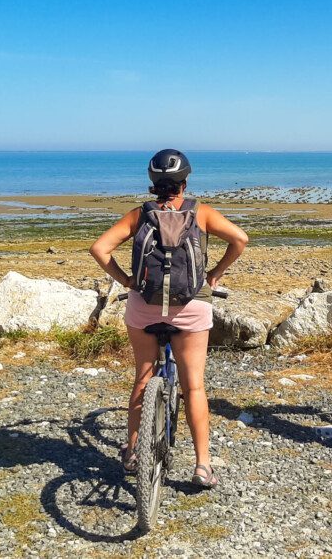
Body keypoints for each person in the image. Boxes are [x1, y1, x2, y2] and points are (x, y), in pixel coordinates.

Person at [90, 149, 248, 488]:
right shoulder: (201, 213)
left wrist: (126, 281)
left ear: (152, 182)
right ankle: (203, 465)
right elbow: (240, 239)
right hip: (191, 306)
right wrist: (215, 273)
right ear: (185, 182)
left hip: (144, 305)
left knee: (143, 379)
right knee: (193, 385)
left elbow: (99, 249)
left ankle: (133, 451)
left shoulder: (138, 216)